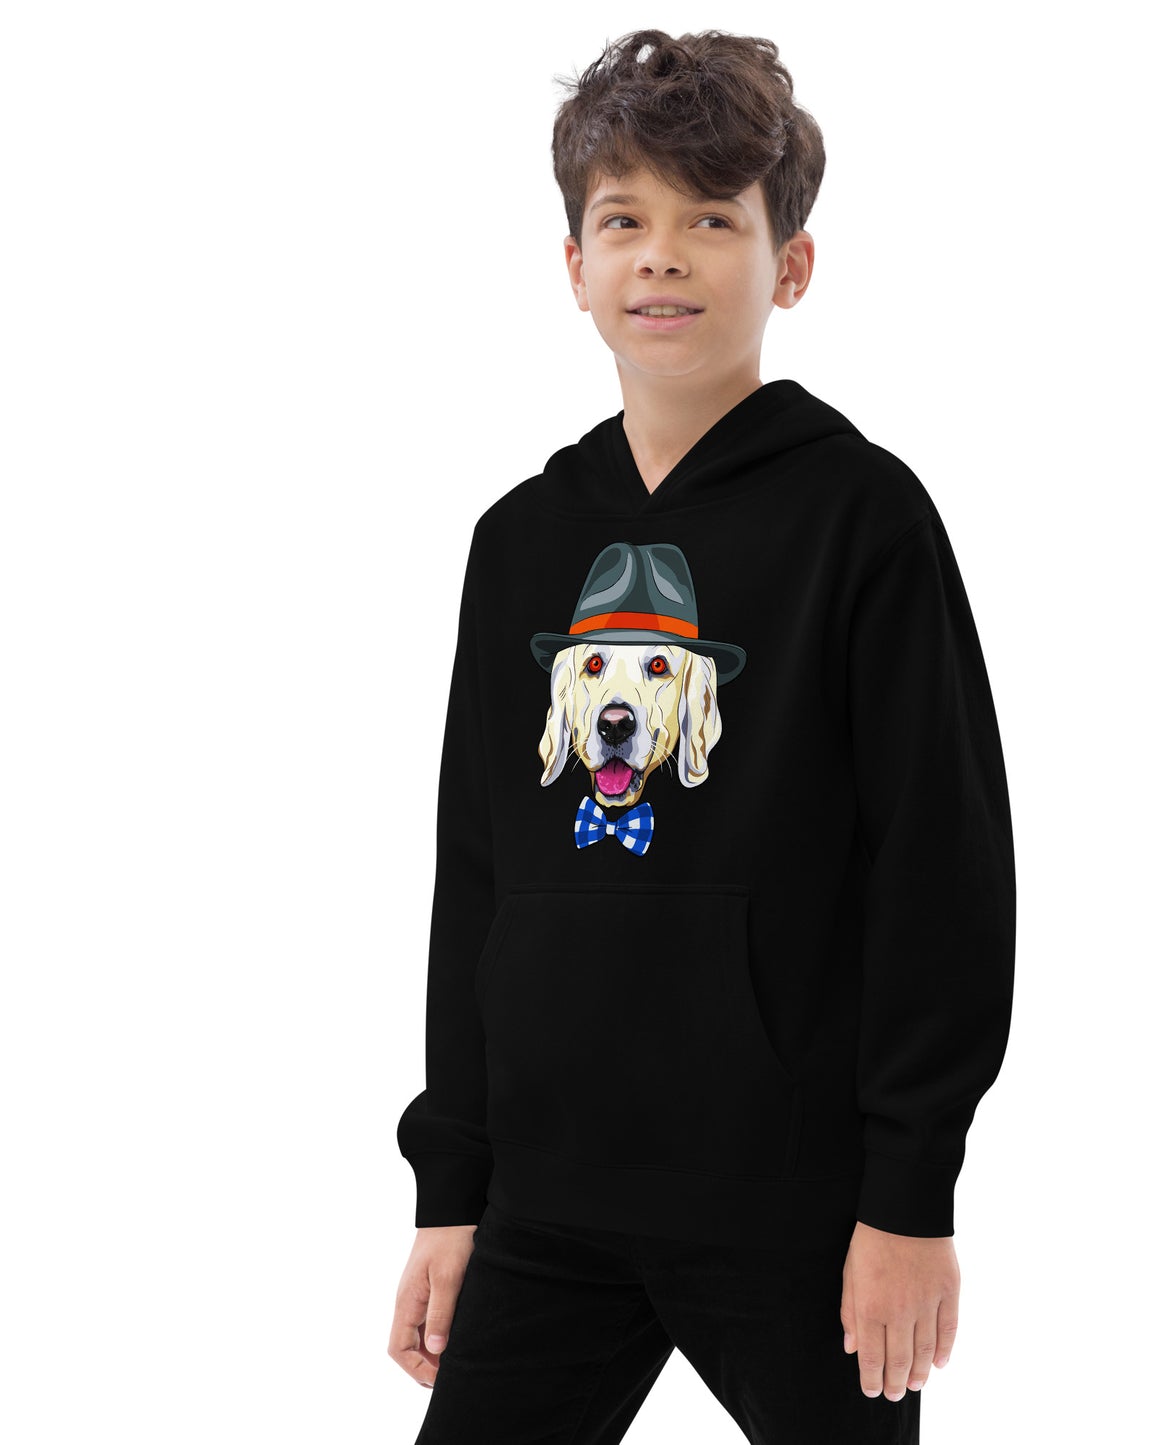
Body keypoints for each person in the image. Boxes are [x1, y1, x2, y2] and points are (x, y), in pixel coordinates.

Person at [387, 27, 1016, 1445]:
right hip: (547, 1197)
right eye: (624, 220)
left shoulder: (863, 518)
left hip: (795, 1204)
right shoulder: (516, 539)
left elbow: (943, 872)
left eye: (711, 220)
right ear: (574, 266)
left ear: (792, 264)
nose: (661, 256)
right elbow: (476, 876)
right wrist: (451, 1187)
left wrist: (908, 1199)